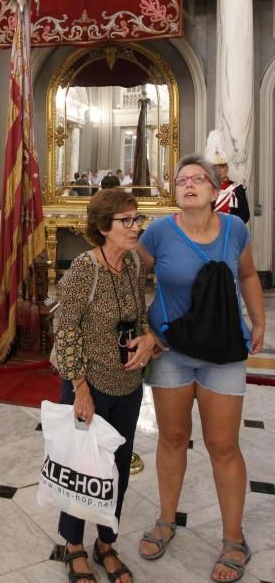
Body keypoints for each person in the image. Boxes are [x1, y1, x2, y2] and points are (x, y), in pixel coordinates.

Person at [137, 154, 265, 582]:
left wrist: (259, 320)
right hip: (171, 351)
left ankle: (234, 539)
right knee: (172, 438)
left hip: (223, 352)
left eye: (197, 179)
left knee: (223, 446)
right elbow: (131, 277)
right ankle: (166, 518)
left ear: (214, 190)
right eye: (181, 180)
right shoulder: (157, 233)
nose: (188, 184)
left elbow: (247, 275)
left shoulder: (235, 229)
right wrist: (144, 329)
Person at [55, 188, 159, 583]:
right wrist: (79, 388)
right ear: (103, 228)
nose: (136, 228)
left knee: (117, 469)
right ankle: (74, 545)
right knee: (82, 471)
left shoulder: (132, 263)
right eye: (127, 221)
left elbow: (141, 314)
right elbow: (65, 334)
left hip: (128, 385)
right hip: (89, 387)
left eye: (137, 219)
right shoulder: (84, 270)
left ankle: (105, 542)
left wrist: (147, 339)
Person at [212, 153, 250, 223]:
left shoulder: (237, 188)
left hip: (230, 230)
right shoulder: (207, 188)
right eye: (215, 167)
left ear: (227, 168)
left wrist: (231, 226)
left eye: (222, 167)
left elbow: (245, 215)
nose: (219, 170)